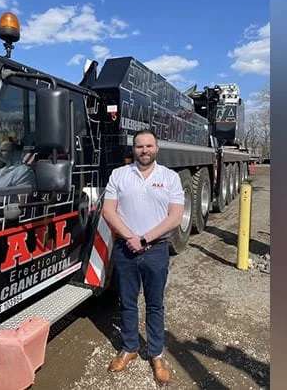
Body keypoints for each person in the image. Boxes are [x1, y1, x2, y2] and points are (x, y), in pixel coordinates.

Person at [101, 129, 185, 386]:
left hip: (157, 250)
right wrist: (130, 238)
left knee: (155, 304)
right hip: (126, 250)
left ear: (157, 148)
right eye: (139, 146)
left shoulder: (169, 177)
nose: (144, 150)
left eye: (149, 146)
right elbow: (108, 210)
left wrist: (145, 239)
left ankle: (156, 354)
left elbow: (175, 216)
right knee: (126, 302)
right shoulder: (119, 175)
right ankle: (129, 348)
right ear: (133, 149)